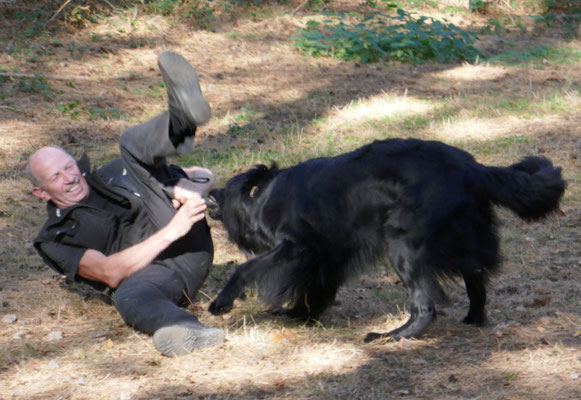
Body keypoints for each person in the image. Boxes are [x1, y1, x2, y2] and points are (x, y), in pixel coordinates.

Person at [26, 51, 225, 357]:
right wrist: (174, 228)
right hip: (158, 274)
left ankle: (182, 118)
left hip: (188, 240)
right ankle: (188, 331)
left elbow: (202, 174)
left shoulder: (111, 173)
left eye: (69, 166)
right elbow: (110, 272)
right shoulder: (54, 238)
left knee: (130, 146)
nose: (70, 177)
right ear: (41, 193)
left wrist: (186, 188)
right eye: (56, 176)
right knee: (127, 295)